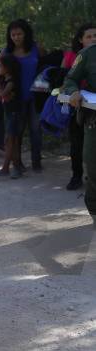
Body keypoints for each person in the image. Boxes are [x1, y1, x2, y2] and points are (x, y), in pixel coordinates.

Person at [3, 19, 42, 172]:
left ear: (26, 34)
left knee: (36, 129)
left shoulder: (36, 48)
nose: (16, 37)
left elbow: (46, 66)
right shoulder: (6, 51)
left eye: (19, 34)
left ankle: (36, 162)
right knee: (16, 132)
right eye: (13, 34)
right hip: (16, 98)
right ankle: (17, 163)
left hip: (36, 96)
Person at [64, 43, 96, 227]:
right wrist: (74, 92)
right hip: (94, 120)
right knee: (93, 170)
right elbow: (70, 80)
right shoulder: (88, 54)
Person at [62, 24, 96, 190]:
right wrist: (74, 92)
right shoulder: (84, 55)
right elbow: (69, 79)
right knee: (82, 149)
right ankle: (77, 177)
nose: (93, 39)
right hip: (88, 112)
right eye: (89, 36)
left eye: (95, 35)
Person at [0, 54, 23, 178]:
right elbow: (3, 97)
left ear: (8, 67)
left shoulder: (12, 81)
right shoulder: (5, 80)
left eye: (0, 65)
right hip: (9, 113)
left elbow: (2, 95)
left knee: (10, 141)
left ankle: (6, 168)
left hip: (14, 114)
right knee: (11, 141)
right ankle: (16, 167)